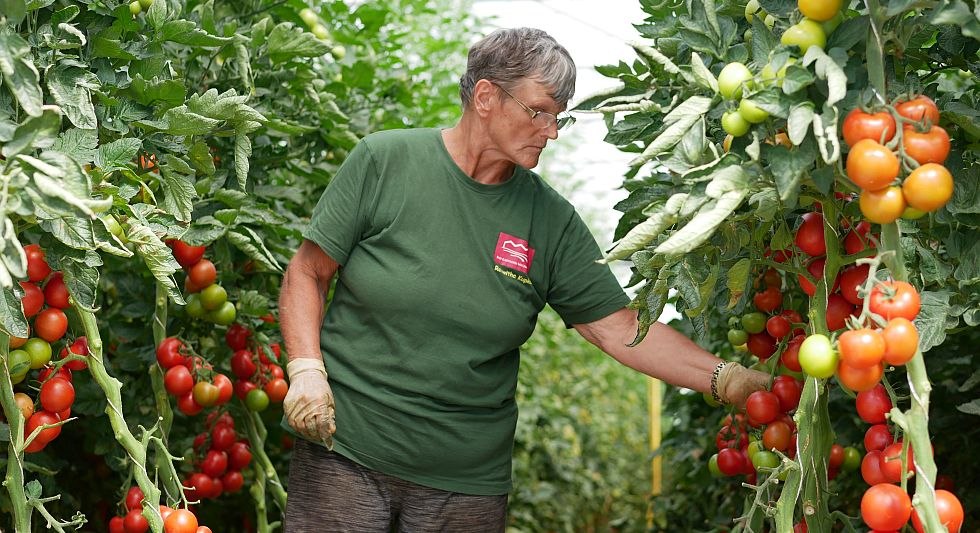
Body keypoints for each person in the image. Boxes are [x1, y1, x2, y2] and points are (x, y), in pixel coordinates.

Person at [278, 27, 769, 532]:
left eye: (560, 116)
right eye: (540, 111)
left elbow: (619, 328)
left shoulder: (549, 221)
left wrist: (727, 379)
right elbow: (307, 272)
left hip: (464, 483)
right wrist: (306, 369)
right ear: (487, 97)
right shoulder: (385, 162)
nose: (552, 131)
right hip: (347, 452)